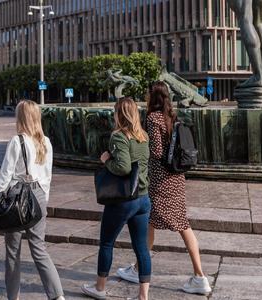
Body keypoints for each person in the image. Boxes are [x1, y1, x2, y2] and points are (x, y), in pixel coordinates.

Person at [114, 83, 212, 295]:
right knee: (176, 224)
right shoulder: (171, 116)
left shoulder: (152, 118)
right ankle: (198, 276)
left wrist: (140, 147)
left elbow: (157, 151)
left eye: (148, 93)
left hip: (160, 180)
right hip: (176, 177)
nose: (146, 96)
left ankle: (195, 275)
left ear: (153, 96)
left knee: (151, 221)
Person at [0, 100, 65, 300]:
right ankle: (57, 296)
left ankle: (13, 297)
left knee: (13, 251)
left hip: (17, 198)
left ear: (21, 117)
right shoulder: (46, 141)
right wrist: (43, 201)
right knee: (39, 248)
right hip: (38, 195)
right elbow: (48, 175)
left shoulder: (17, 141)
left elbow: (4, 176)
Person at [82, 97, 152, 300]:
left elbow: (123, 167)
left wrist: (106, 160)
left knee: (106, 243)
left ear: (119, 114)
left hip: (124, 200)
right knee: (141, 247)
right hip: (143, 198)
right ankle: (143, 296)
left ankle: (100, 288)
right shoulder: (143, 136)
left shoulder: (119, 136)